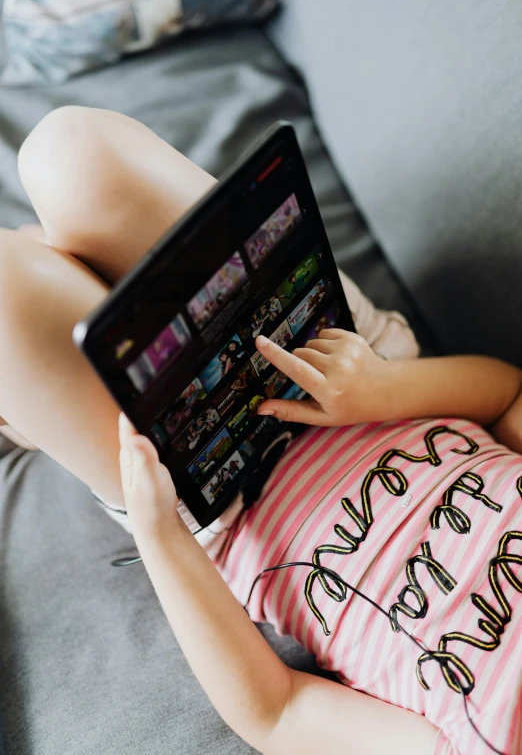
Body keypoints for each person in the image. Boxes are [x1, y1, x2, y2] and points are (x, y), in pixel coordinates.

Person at [1, 107, 518, 754]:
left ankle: (41, 358)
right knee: (68, 153)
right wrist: (381, 390)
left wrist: (160, 534)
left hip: (214, 489)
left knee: (4, 290)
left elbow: (279, 712)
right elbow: (510, 395)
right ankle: (51, 334)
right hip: (340, 355)